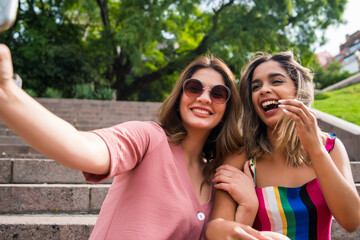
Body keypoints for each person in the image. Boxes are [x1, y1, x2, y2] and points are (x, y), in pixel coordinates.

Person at [0, 43, 274, 239]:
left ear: (227, 106)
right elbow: (79, 147)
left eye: (218, 93)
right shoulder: (148, 138)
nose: (204, 97)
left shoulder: (216, 177)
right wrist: (7, 95)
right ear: (180, 95)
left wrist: (249, 207)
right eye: (194, 88)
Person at [208, 51, 360, 240]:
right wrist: (249, 207)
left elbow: (352, 221)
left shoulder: (331, 148)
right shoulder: (241, 157)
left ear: (298, 90)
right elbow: (214, 231)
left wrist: (316, 150)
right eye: (256, 86)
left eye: (276, 81)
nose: (264, 90)